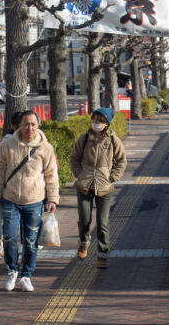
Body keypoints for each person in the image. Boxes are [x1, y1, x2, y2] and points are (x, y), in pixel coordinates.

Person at [0, 110, 59, 292]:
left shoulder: (46, 148)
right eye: (26, 124)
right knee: (10, 237)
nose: (30, 128)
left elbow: (52, 175)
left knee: (30, 241)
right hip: (10, 199)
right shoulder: (7, 145)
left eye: (33, 124)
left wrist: (52, 198)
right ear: (19, 125)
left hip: (34, 201)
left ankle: (26, 275)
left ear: (38, 126)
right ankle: (12, 270)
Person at [70, 108, 127, 269]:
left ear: (107, 123)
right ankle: (83, 242)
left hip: (104, 187)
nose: (96, 124)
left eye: (100, 121)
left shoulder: (113, 140)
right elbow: (74, 158)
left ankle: (102, 254)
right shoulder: (85, 138)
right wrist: (79, 174)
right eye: (94, 120)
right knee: (84, 220)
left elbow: (122, 161)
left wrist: (112, 177)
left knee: (102, 223)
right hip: (84, 186)